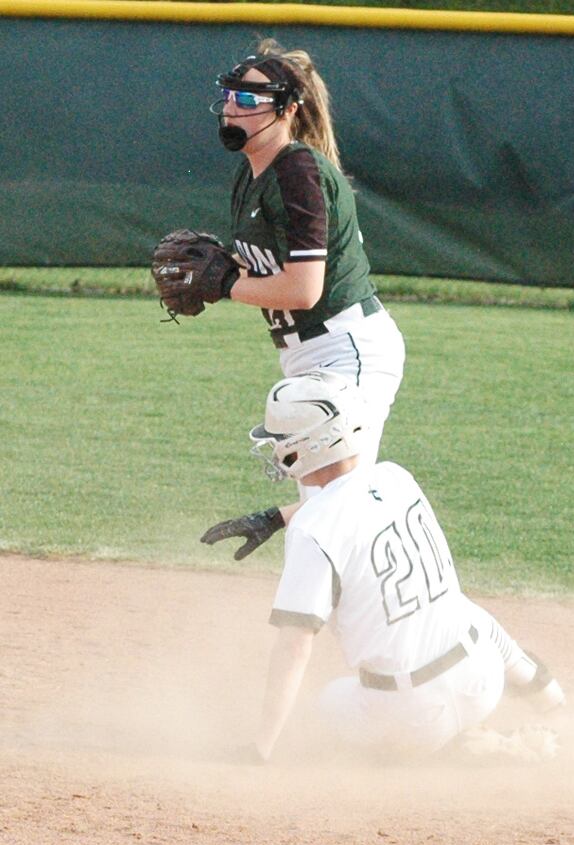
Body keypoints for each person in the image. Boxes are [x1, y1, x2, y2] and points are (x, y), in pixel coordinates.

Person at [239, 370, 563, 762]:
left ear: (306, 445)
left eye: (279, 440)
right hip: (483, 678)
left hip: (409, 714)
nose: (275, 449)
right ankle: (553, 706)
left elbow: (294, 647)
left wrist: (262, 747)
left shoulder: (312, 530)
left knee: (314, 719)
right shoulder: (396, 478)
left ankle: (456, 755)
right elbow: (347, 505)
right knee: (464, 612)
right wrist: (274, 517)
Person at [197, 39, 407, 561]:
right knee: (333, 517)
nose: (231, 108)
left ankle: (452, 634)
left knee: (338, 517)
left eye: (249, 101)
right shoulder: (252, 174)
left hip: (347, 350)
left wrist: (223, 285)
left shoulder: (298, 171)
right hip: (307, 355)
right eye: (229, 96)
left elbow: (303, 289)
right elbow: (268, 269)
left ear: (288, 110)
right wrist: (222, 268)